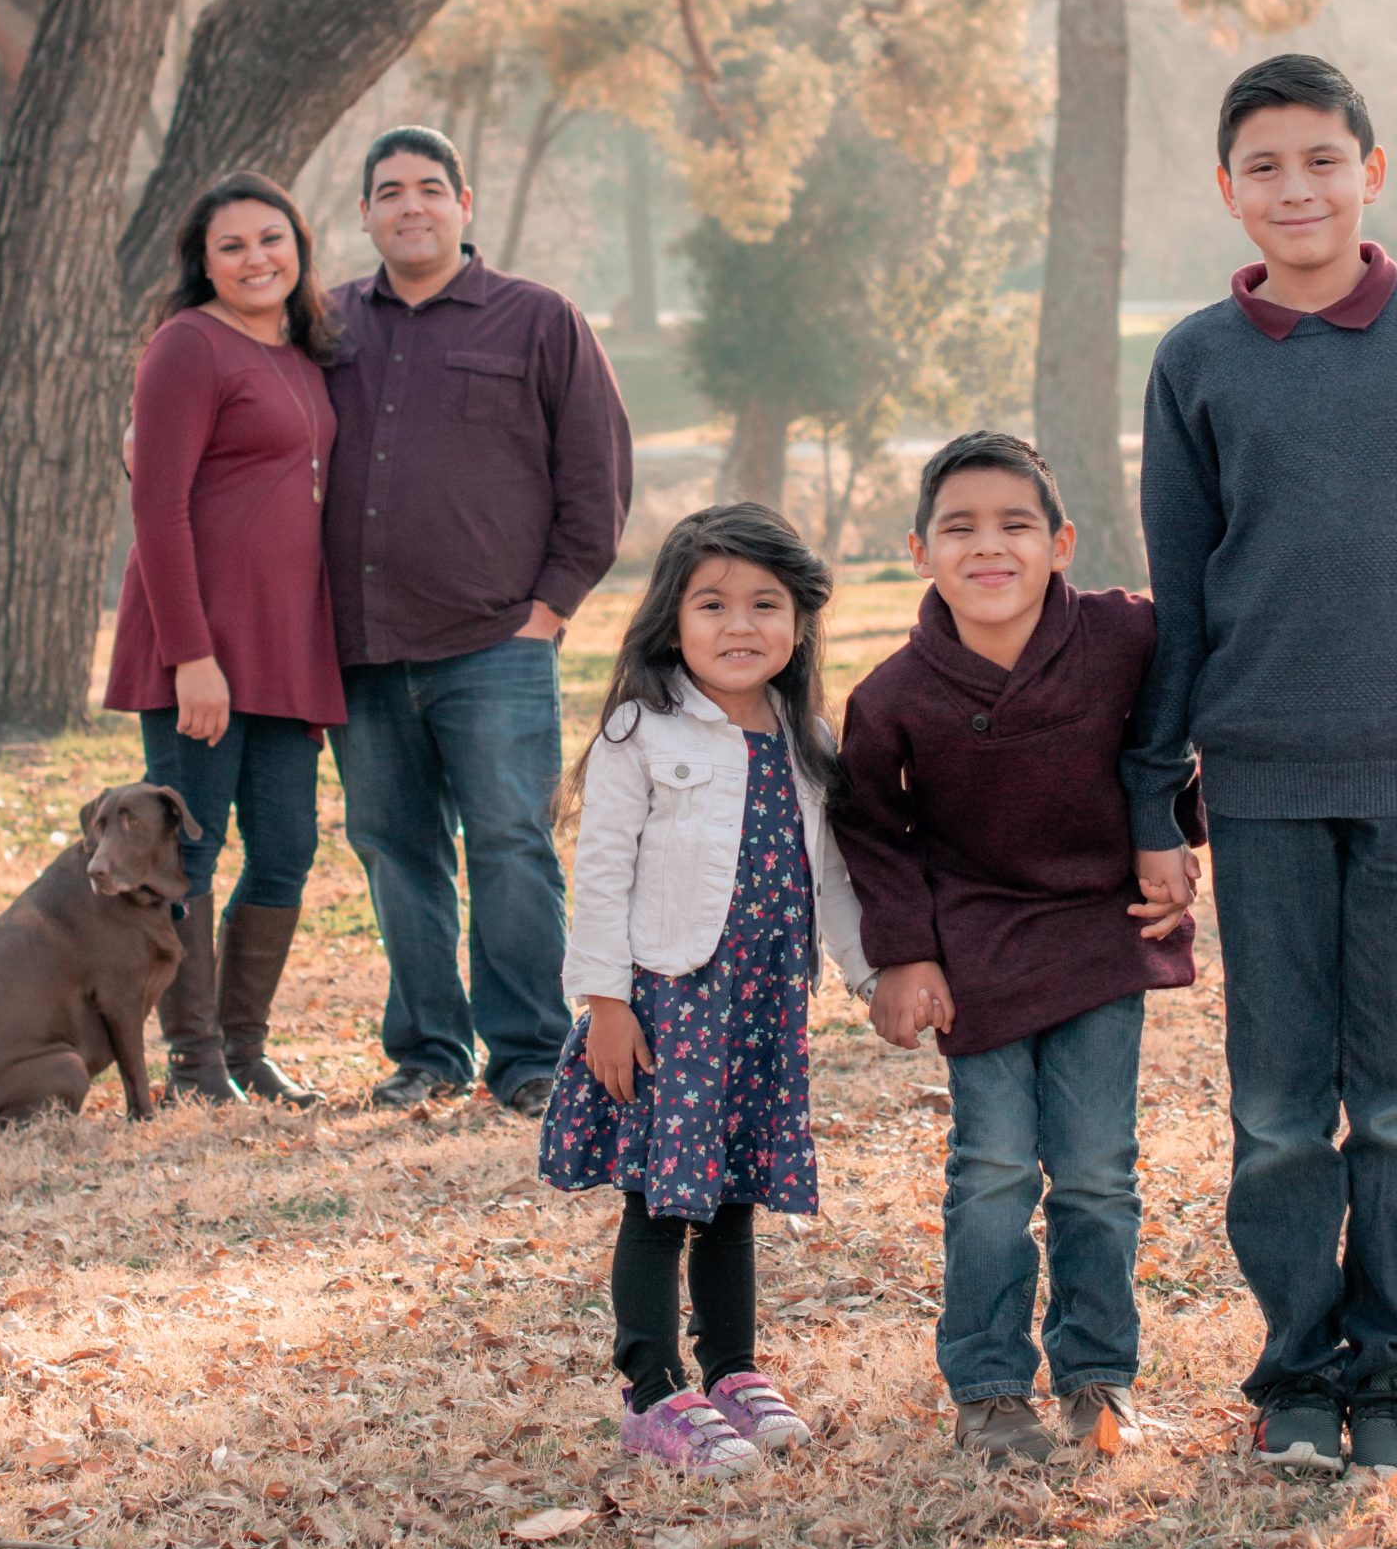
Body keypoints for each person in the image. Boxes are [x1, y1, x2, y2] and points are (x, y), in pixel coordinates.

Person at [1123, 53, 1397, 1478]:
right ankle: (1296, 1372)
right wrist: (1153, 795)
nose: (1294, 188)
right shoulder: (1194, 360)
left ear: (1367, 172)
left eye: (1320, 159)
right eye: (1263, 166)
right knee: (1272, 1105)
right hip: (1254, 779)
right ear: (1226, 192)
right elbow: (1178, 599)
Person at [831, 431, 1201, 1469]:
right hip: (975, 947)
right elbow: (870, 828)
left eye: (1014, 526)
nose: (987, 548)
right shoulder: (896, 693)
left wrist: (1177, 832)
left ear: (1062, 542)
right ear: (919, 551)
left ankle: (1098, 1378)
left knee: (1095, 1170)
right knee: (991, 1169)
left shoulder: (1128, 635)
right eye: (960, 528)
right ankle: (990, 1386)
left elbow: (1172, 737)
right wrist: (902, 954)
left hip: (1097, 934)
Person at [539, 504, 873, 1475]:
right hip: (670, 1008)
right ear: (672, 620)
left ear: (800, 621)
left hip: (763, 1010)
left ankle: (731, 1367)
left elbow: (833, 878)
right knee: (661, 1200)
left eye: (765, 604)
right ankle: (652, 1392)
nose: (740, 625)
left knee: (734, 1196)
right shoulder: (642, 732)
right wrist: (604, 1001)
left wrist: (870, 975)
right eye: (714, 603)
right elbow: (600, 871)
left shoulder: (805, 735)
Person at [326, 128, 633, 1115]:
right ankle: (426, 1052)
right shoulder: (326, 326)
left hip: (497, 644)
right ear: (365, 212)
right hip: (361, 649)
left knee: (511, 845)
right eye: (388, 192)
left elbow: (598, 476)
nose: (408, 206)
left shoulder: (539, 320)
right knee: (395, 847)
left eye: (428, 188)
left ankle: (533, 1056)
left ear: (465, 202)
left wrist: (547, 611)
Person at [105, 171, 345, 1108]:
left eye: (272, 240)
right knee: (187, 857)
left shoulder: (305, 350)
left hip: (289, 645)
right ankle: (196, 1065)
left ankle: (245, 1051)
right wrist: (190, 655)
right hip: (201, 645)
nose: (257, 259)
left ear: (300, 248)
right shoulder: (185, 346)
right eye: (233, 246)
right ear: (203, 264)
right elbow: (156, 508)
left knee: (285, 848)